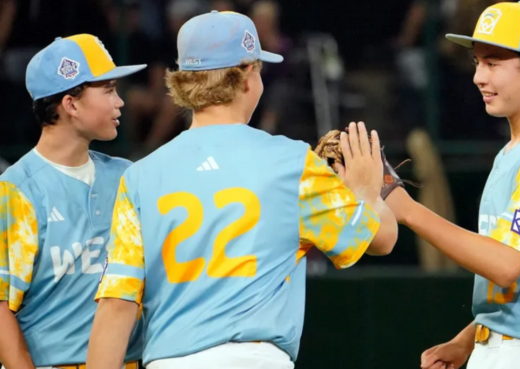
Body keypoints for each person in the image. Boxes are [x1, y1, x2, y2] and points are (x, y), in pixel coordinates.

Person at [86, 10, 398, 369]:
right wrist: (365, 191)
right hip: (254, 358)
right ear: (248, 76)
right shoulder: (292, 162)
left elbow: (116, 305)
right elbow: (380, 239)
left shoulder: (140, 176)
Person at [385, 2, 520, 368]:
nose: (479, 76)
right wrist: (471, 338)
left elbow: (506, 264)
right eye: (478, 62)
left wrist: (409, 211)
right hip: (512, 346)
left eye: (493, 63)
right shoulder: (515, 152)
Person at [0, 34, 146, 369]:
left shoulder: (128, 177)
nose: (119, 101)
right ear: (71, 104)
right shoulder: (17, 191)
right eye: (108, 89)